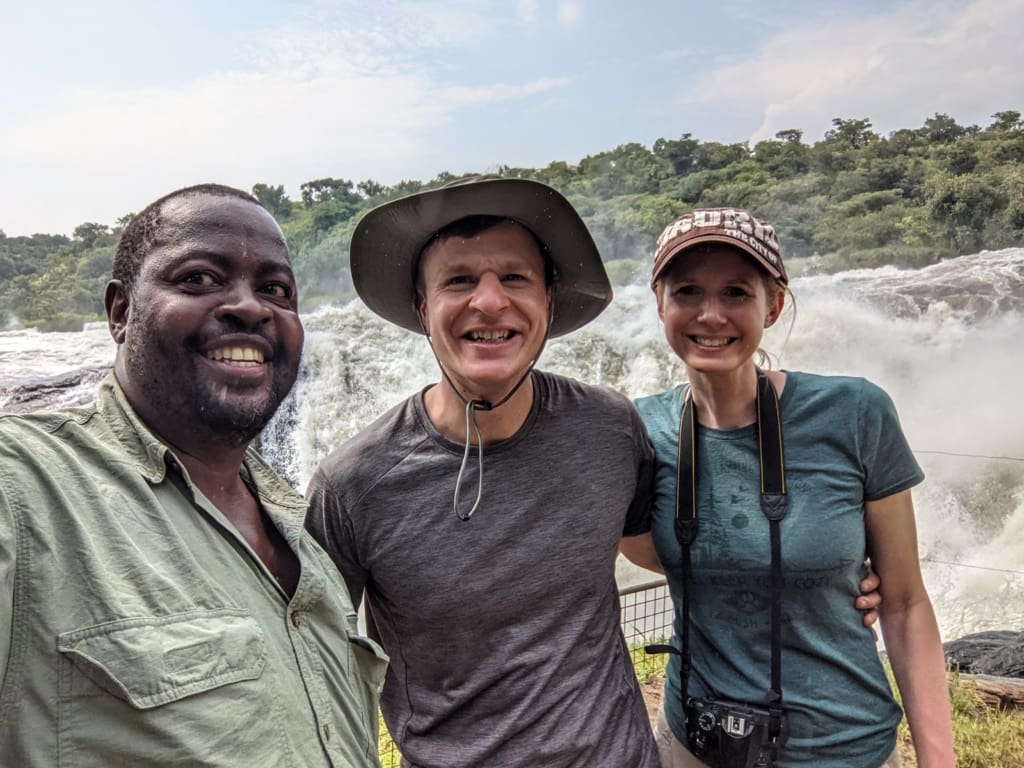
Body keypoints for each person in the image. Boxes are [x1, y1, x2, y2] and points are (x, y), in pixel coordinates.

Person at [0, 184, 387, 768]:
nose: (251, 307)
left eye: (275, 290)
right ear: (120, 311)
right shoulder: (25, 490)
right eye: (199, 279)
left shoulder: (302, 534)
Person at [305, 176, 662, 767]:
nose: (490, 301)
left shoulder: (611, 428)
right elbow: (320, 669)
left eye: (514, 278)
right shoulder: (352, 487)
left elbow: (657, 549)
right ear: (424, 308)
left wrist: (822, 571)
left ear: (549, 298)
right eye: (460, 281)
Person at [626, 208, 955, 767]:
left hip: (843, 746)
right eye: (687, 292)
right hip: (696, 741)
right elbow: (641, 547)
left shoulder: (854, 413)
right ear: (661, 304)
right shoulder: (640, 430)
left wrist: (938, 759)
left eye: (735, 292)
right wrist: (759, 562)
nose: (711, 314)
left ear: (772, 306)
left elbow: (902, 603)